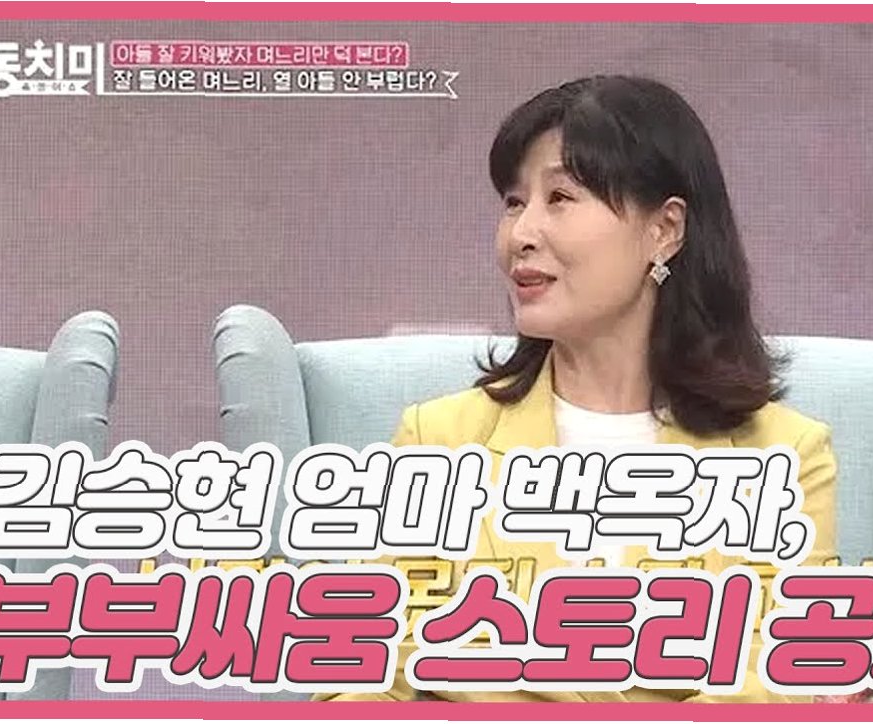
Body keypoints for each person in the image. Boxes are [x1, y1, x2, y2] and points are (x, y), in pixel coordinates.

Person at [325, 75, 841, 703]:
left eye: (560, 197)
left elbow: (779, 683)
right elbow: (359, 674)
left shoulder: (785, 457)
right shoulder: (439, 441)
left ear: (664, 230)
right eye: (514, 202)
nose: (520, 234)